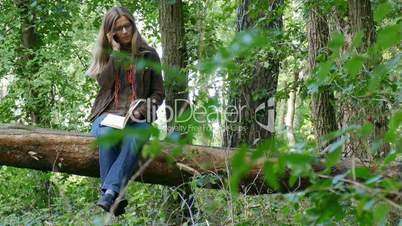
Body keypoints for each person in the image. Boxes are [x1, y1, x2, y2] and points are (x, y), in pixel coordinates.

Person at [85, 6, 165, 216]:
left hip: (137, 118)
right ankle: (114, 194)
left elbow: (158, 93)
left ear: (133, 24)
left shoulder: (149, 54)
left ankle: (110, 193)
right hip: (108, 115)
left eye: (127, 26)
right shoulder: (108, 55)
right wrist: (115, 54)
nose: (125, 32)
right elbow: (104, 84)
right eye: (118, 29)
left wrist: (143, 109)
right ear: (110, 33)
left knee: (136, 135)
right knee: (106, 134)